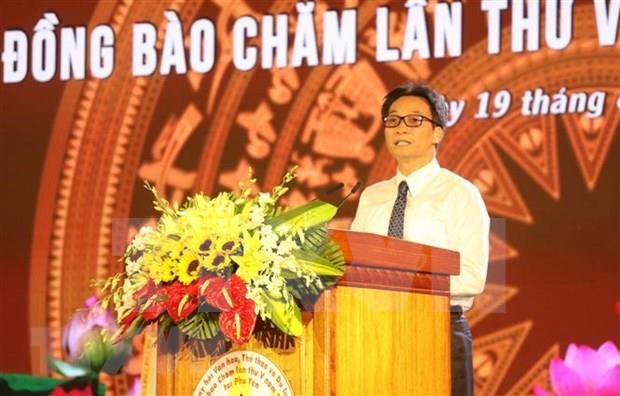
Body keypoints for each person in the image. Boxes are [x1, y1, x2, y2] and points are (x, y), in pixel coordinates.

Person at [350, 82, 489, 396]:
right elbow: (353, 270)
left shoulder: (460, 194)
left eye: (414, 120)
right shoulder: (373, 196)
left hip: (437, 329)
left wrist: (405, 287)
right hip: (376, 331)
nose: (401, 128)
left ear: (437, 132)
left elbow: (472, 277)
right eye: (393, 119)